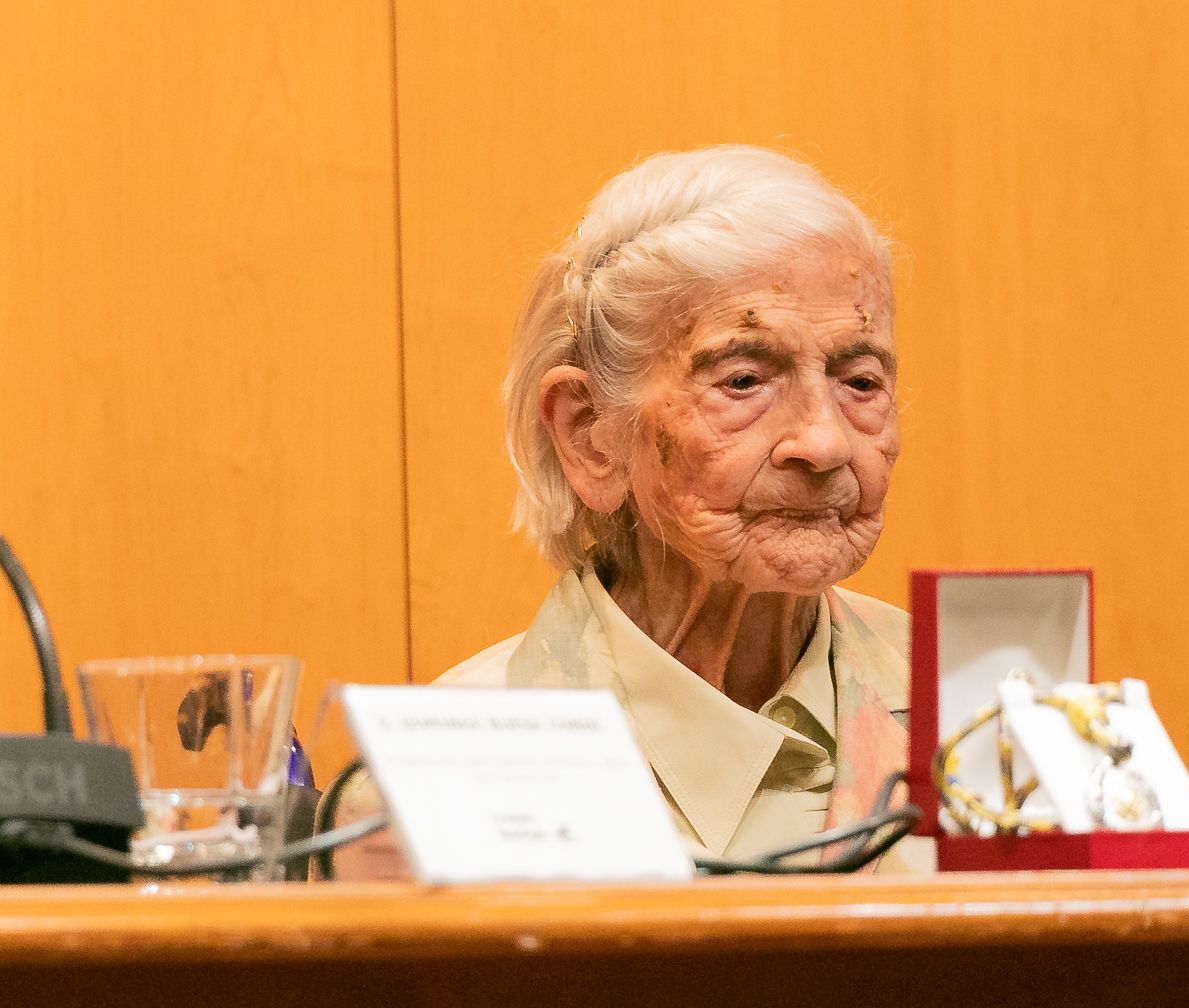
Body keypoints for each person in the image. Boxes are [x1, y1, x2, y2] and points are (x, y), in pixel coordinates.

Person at [327, 146, 925, 876]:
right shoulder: (439, 785)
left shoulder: (986, 721)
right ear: (590, 436)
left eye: (860, 380)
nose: (824, 441)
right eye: (743, 379)